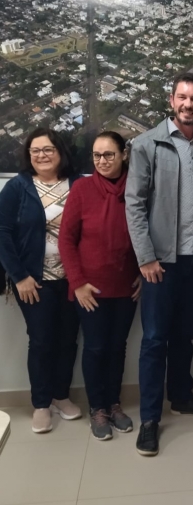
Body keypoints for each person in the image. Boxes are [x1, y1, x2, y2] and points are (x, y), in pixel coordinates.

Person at [125, 72, 193, 456]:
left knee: (185, 335)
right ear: (172, 100)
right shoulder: (147, 144)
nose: (189, 104)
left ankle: (182, 396)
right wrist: (146, 257)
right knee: (154, 341)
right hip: (160, 264)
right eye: (182, 97)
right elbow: (134, 204)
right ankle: (150, 419)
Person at [59, 132, 141, 441]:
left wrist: (143, 275)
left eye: (108, 155)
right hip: (89, 290)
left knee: (117, 348)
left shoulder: (136, 186)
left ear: (123, 155)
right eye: (96, 155)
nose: (102, 161)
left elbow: (147, 231)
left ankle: (114, 403)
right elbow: (66, 240)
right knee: (95, 348)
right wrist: (78, 283)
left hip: (126, 285)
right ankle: (98, 409)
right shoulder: (82, 188)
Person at [0, 128, 82, 433]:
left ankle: (61, 396)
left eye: (48, 150)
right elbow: (2, 233)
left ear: (60, 152)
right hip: (34, 283)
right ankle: (41, 403)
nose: (42, 156)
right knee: (42, 341)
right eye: (35, 151)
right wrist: (19, 276)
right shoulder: (18, 187)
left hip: (73, 280)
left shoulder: (77, 185)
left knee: (68, 340)